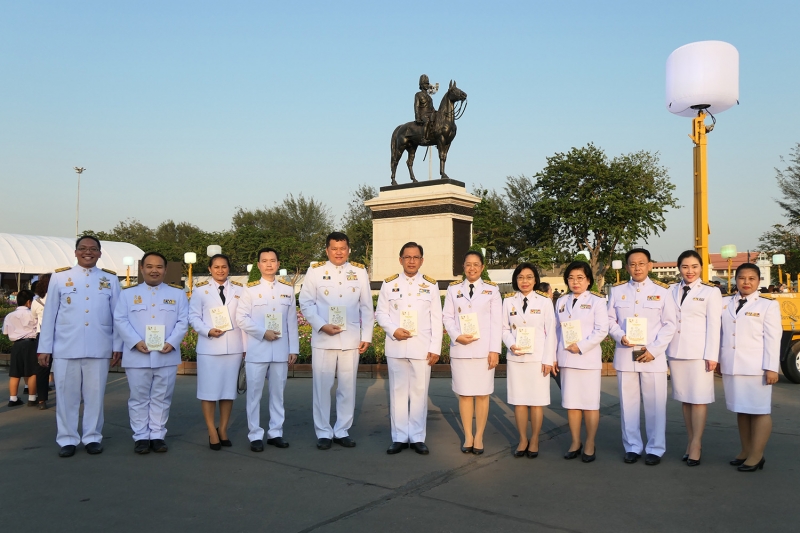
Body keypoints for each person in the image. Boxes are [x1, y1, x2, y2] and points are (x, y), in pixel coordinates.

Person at [37, 236, 122, 457]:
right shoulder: (60, 277)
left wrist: (117, 345)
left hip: (99, 346)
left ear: (100, 253)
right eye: (83, 248)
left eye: (93, 249)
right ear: (75, 252)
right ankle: (67, 439)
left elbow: (118, 316)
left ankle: (93, 437)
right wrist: (45, 348)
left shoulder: (110, 280)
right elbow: (50, 316)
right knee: (67, 396)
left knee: (95, 395)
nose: (88, 252)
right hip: (66, 347)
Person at [299, 232, 374, 450]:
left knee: (347, 388)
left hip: (350, 339)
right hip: (324, 339)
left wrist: (366, 336)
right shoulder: (315, 271)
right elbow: (306, 303)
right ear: (327, 250)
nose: (339, 252)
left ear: (349, 249)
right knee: (322, 388)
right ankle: (323, 431)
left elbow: (367, 306)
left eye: (342, 248)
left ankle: (342, 430)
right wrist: (321, 325)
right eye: (334, 248)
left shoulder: (359, 272)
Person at [607, 248, 677, 466]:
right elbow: (610, 320)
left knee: (655, 404)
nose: (637, 268)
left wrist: (654, 350)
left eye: (641, 263)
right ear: (627, 267)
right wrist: (620, 336)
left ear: (649, 265)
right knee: (628, 404)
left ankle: (655, 448)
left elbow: (670, 324)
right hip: (626, 354)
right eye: (632, 264)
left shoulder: (663, 291)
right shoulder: (617, 291)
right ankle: (632, 446)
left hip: (651, 356)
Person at [114, 251, 188, 454]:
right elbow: (120, 319)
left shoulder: (177, 293)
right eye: (149, 266)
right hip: (138, 355)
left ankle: (157, 435)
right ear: (142, 269)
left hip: (166, 354)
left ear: (165, 270)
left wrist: (172, 342)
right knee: (138, 398)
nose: (154, 271)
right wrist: (135, 341)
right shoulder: (128, 294)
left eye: (158, 267)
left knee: (162, 397)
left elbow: (183, 321)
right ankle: (140, 436)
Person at [375, 242, 442, 455]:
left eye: (415, 257)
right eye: (407, 257)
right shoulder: (389, 284)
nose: (411, 261)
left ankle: (417, 437)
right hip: (396, 346)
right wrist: (393, 330)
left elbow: (436, 319)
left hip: (421, 347)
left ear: (422, 260)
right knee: (397, 392)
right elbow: (381, 314)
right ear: (400, 259)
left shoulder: (431, 285)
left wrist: (436, 348)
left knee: (420, 393)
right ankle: (399, 437)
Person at [719, 263, 781, 472]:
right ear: (735, 280)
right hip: (732, 365)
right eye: (742, 278)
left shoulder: (767, 305)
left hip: (757, 368)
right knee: (742, 410)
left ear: (758, 281)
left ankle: (757, 455)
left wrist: (772, 367)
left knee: (759, 411)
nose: (746, 282)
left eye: (751, 278)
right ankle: (745, 450)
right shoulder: (725, 302)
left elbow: (773, 338)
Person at [237, 247, 299, 452]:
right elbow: (241, 318)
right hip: (258, 348)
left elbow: (292, 322)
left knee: (277, 394)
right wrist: (263, 332)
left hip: (280, 350)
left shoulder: (287, 289)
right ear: (259, 265)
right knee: (254, 394)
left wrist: (294, 349)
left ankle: (276, 432)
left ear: (279, 264)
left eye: (273, 260)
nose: (269, 264)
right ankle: (255, 434)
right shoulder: (250, 289)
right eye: (265, 261)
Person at [666, 250, 722, 466]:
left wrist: (712, 355)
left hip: (699, 354)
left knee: (699, 399)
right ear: (679, 268)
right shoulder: (671, 289)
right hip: (677, 352)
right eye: (685, 267)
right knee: (685, 399)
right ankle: (690, 441)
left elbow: (714, 325)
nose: (690, 271)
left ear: (701, 268)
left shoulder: (710, 292)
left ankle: (697, 444)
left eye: (694, 267)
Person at [443, 250, 501, 455]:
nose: (472, 268)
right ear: (463, 267)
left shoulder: (491, 290)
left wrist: (495, 350)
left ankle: (479, 436)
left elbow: (497, 322)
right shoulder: (453, 289)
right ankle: (468, 435)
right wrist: (457, 335)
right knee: (465, 395)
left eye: (476, 264)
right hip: (461, 349)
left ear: (483, 267)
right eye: (468, 264)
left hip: (483, 350)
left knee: (483, 395)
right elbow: (447, 317)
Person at [188, 254, 245, 451]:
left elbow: (244, 318)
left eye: (224, 267)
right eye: (216, 267)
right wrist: (207, 330)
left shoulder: (240, 289)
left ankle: (224, 430)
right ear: (210, 269)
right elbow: (193, 317)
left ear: (229, 268)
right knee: (209, 391)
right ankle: (212, 430)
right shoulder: (201, 290)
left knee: (228, 392)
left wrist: (245, 347)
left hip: (233, 347)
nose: (220, 270)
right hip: (209, 347)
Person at [555, 261, 609, 463]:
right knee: (572, 404)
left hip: (587, 359)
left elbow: (601, 330)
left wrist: (582, 346)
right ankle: (575, 441)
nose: (575, 282)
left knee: (590, 404)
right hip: (567, 359)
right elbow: (556, 331)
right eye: (571, 278)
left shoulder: (597, 301)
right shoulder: (561, 301)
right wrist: (554, 356)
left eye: (580, 278)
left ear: (588, 280)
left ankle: (590, 443)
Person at [502, 263, 555, 458]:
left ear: (535, 280)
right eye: (521, 277)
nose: (525, 281)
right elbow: (504, 328)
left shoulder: (544, 301)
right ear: (516, 280)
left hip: (537, 359)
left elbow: (551, 333)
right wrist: (511, 344)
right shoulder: (508, 301)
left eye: (529, 277)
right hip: (516, 358)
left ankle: (534, 439)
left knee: (536, 402)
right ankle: (523, 439)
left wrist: (548, 359)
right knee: (519, 402)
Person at [4, 290, 38, 407]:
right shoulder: (33, 314)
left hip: (17, 345)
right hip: (30, 343)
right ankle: (32, 398)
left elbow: (5, 332)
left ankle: (13, 399)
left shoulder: (10, 316)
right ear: (29, 302)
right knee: (32, 371)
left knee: (15, 372)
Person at [31, 273, 53, 409]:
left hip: (42, 336)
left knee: (42, 368)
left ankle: (42, 400)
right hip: (60, 335)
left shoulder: (36, 301)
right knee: (64, 367)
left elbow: (33, 316)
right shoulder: (61, 298)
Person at [414, 74, 436, 142]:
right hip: (423, 114)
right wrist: (417, 117)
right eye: (425, 84)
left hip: (430, 113)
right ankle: (423, 138)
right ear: (421, 85)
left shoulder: (429, 97)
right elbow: (416, 106)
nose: (427, 85)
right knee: (427, 121)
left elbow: (432, 108)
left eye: (427, 84)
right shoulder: (418, 95)